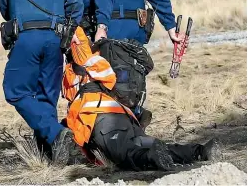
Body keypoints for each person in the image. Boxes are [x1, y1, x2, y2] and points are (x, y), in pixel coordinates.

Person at [61, 26, 222, 171]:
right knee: (145, 144)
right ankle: (200, 151)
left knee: (125, 155)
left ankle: (151, 158)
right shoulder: (80, 64)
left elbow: (106, 76)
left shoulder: (82, 60)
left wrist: (77, 38)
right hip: (122, 114)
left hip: (99, 117)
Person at [0, 0, 84, 165]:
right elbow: (76, 3)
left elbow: (4, 9)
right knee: (47, 96)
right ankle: (51, 155)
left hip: (26, 37)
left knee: (15, 91)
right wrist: (69, 29)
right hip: (56, 38)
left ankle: (57, 134)